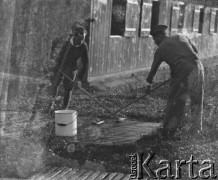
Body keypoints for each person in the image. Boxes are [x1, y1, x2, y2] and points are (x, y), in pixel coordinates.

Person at [146, 25, 204, 139]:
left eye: (154, 39)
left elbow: (153, 70)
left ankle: (168, 132)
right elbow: (195, 51)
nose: (155, 42)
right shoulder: (180, 36)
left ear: (159, 36)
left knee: (175, 101)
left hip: (183, 70)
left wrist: (149, 85)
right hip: (198, 67)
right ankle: (196, 131)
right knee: (196, 100)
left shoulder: (160, 49)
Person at [50, 26, 90, 111]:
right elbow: (55, 50)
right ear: (74, 35)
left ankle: (64, 108)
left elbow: (85, 64)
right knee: (55, 83)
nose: (80, 41)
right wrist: (55, 63)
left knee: (68, 87)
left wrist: (79, 78)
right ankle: (50, 104)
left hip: (72, 67)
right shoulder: (66, 42)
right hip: (60, 64)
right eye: (79, 39)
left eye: (82, 39)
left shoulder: (83, 46)